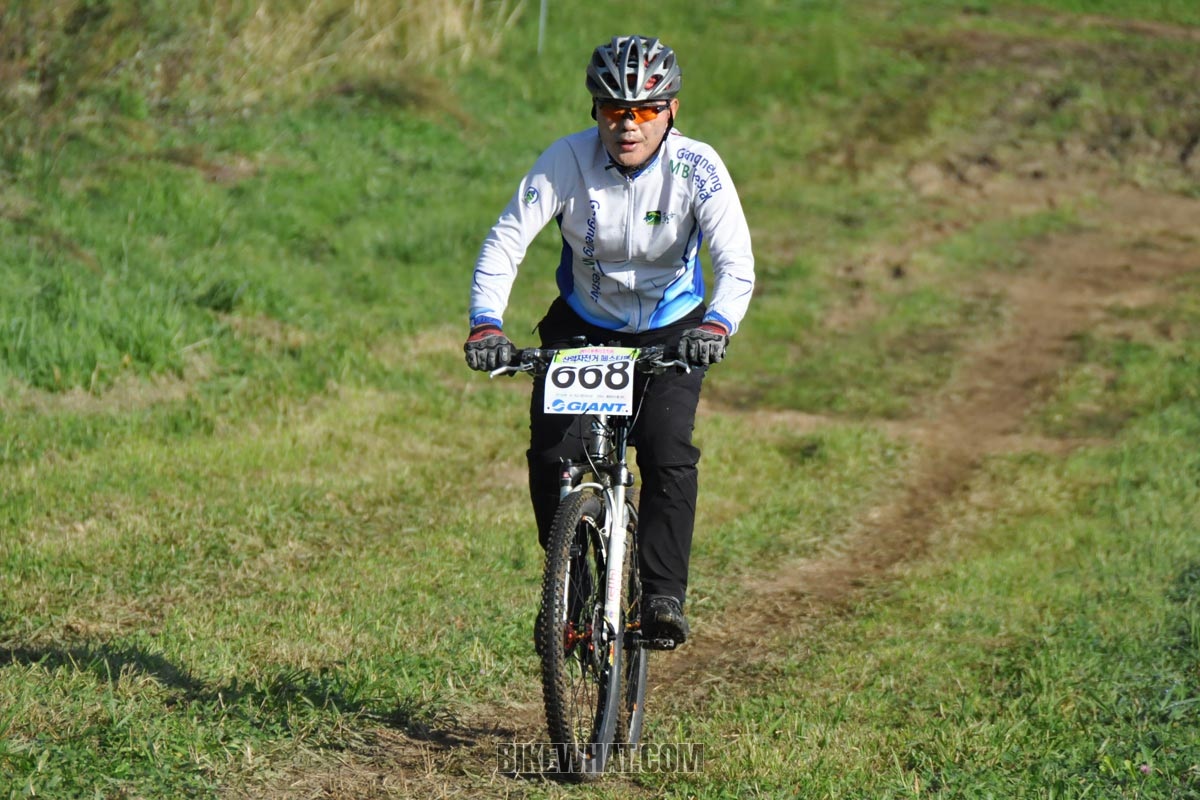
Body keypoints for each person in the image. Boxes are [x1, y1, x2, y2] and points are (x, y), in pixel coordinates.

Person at [463, 35, 754, 646]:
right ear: (595, 110)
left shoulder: (698, 166)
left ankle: (662, 596)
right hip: (583, 326)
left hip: (673, 329)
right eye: (614, 109)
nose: (629, 124)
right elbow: (506, 239)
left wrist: (716, 325)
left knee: (666, 448)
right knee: (553, 455)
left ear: (671, 111)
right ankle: (569, 586)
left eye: (645, 110)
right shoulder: (566, 160)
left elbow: (736, 262)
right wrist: (487, 322)